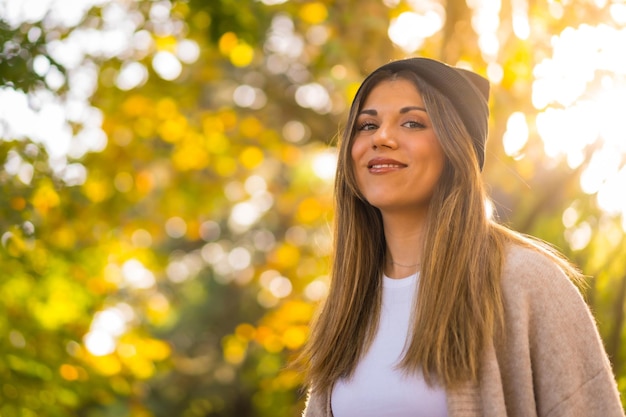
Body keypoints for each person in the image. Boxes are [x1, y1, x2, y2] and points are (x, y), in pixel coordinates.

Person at [296, 57, 624, 417]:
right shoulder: (348, 302)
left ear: (456, 148)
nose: (382, 138)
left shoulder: (526, 282)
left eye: (412, 122)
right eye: (367, 125)